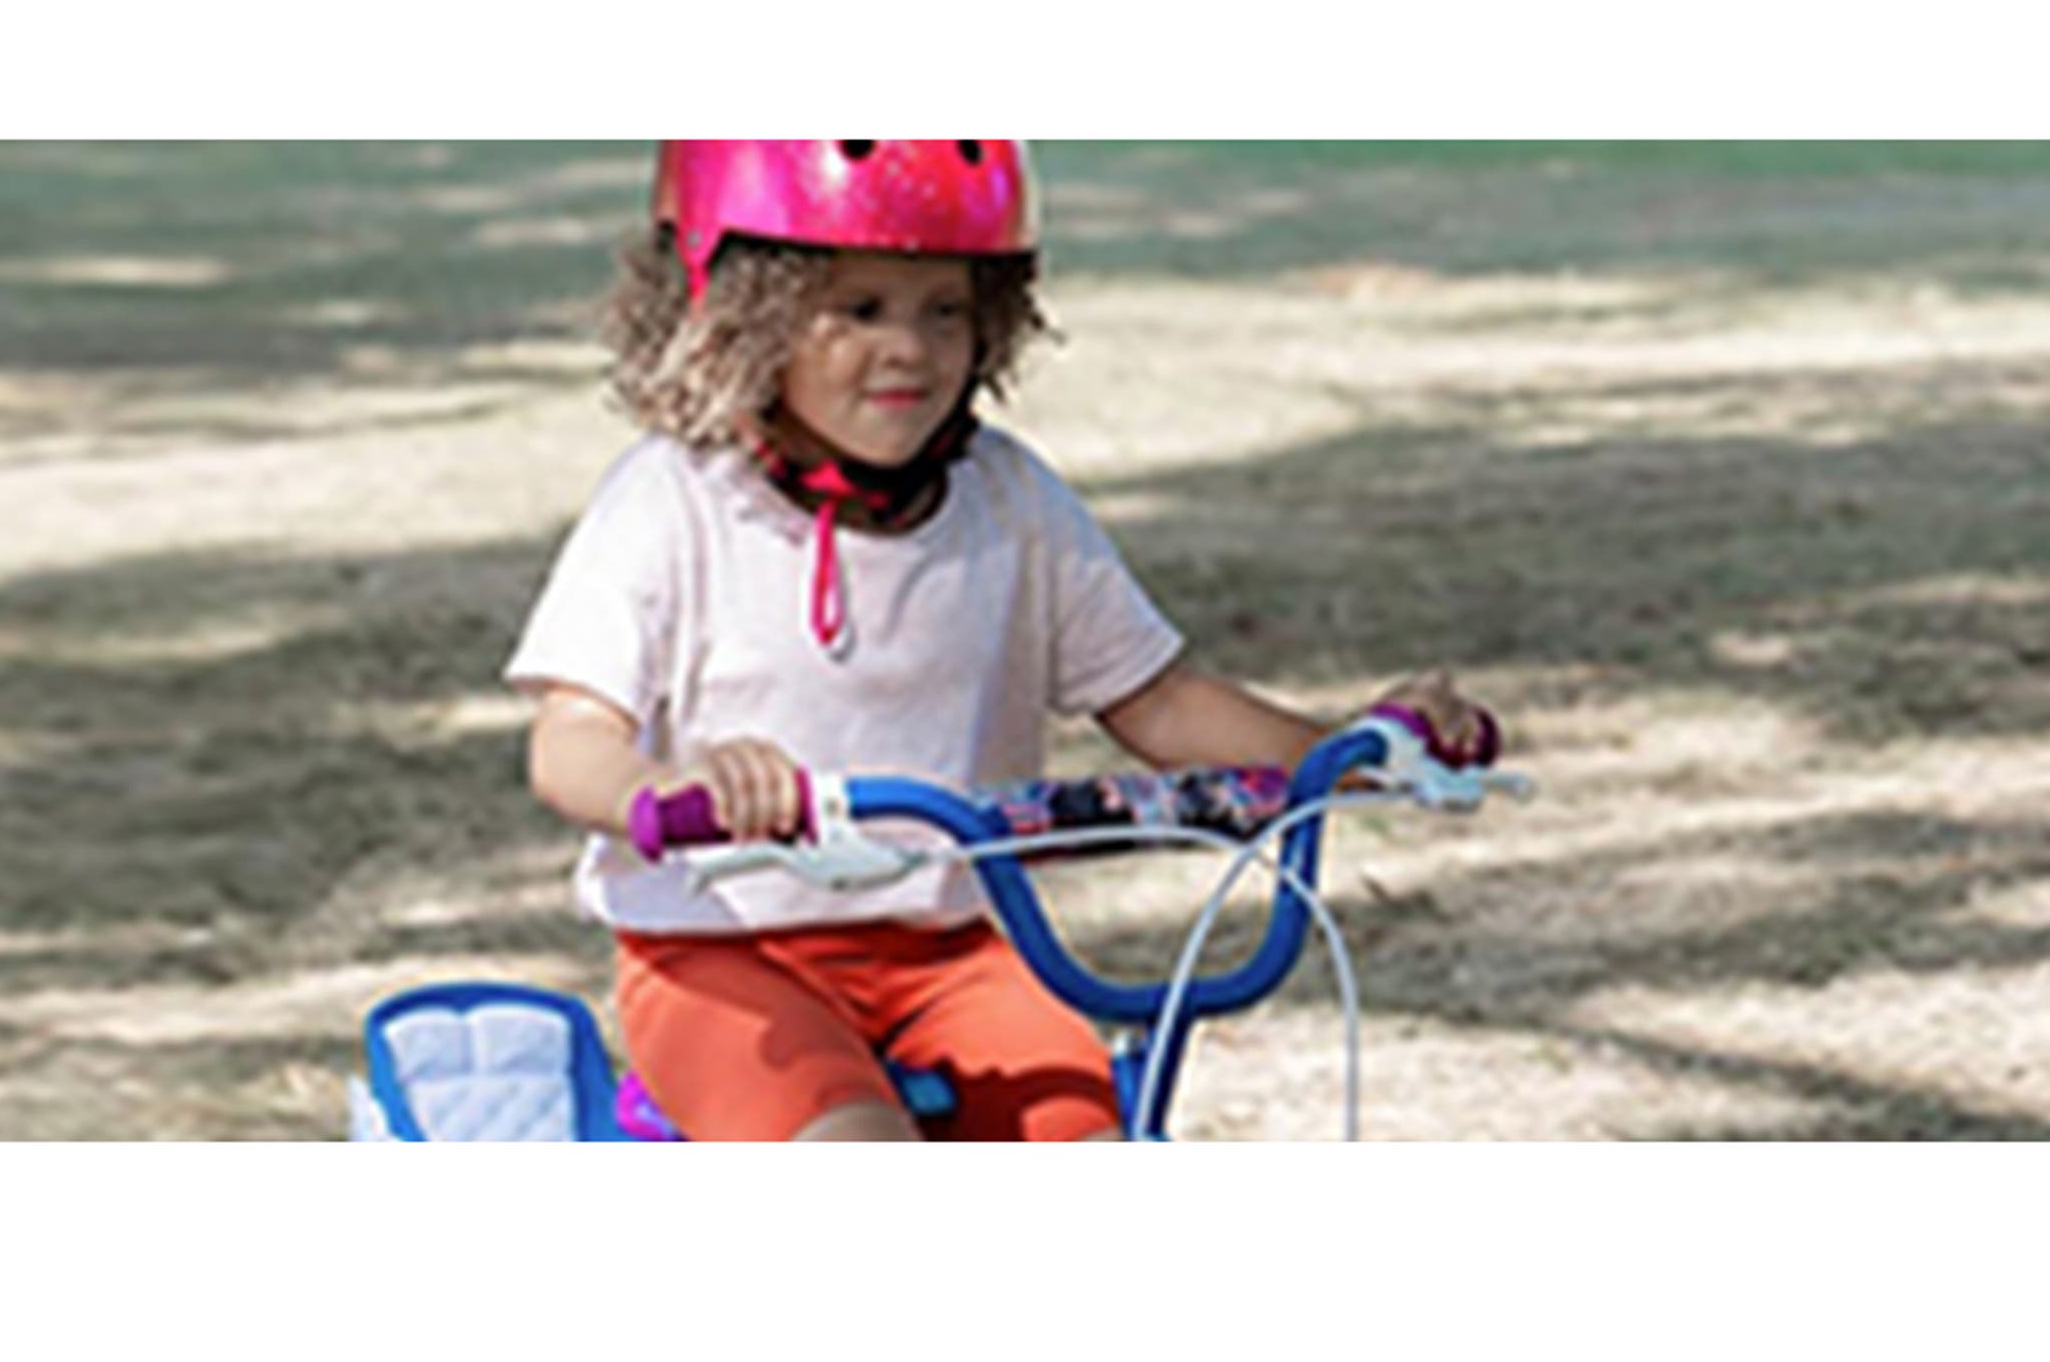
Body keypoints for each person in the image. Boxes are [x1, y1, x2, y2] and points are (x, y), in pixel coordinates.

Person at [502, 140, 1495, 1141]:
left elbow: (1159, 700)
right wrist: (674, 790)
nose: (912, 348)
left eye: (948, 308)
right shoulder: (671, 500)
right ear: (740, 310)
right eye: (860, 309)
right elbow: (569, 739)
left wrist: (1352, 751)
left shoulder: (1010, 499)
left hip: (958, 953)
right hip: (724, 955)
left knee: (1094, 1140)